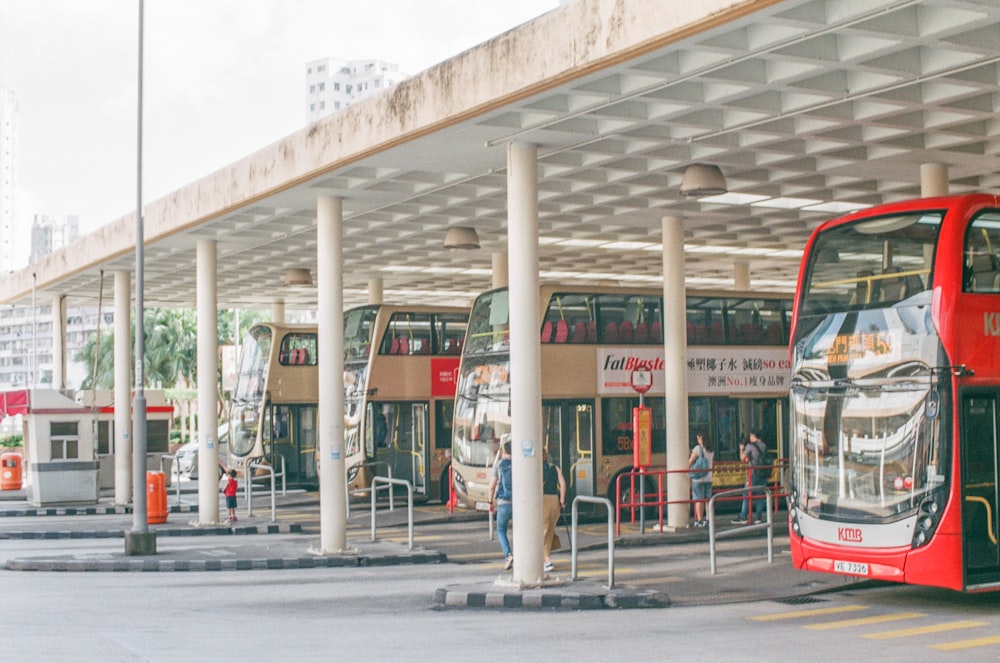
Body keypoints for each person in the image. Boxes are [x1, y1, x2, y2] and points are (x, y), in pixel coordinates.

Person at [487, 438, 514, 570]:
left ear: (504, 451)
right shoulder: (520, 463)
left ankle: (508, 555)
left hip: (503, 502)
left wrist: (490, 502)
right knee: (519, 530)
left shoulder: (498, 465)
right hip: (519, 503)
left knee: (501, 530)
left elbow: (492, 486)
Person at [733, 430, 767, 524]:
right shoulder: (764, 445)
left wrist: (741, 449)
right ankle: (758, 517)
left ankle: (743, 516)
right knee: (760, 495)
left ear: (753, 435)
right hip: (763, 473)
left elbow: (743, 458)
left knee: (746, 494)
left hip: (753, 473)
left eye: (750, 435)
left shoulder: (750, 446)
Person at [541, 450, 567, 573]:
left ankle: (546, 560)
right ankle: (546, 559)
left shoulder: (535, 469)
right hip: (555, 500)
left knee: (542, 532)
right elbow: (563, 484)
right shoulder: (555, 468)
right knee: (549, 531)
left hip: (542, 500)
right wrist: (562, 501)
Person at [688, 431, 714, 527]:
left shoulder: (698, 449)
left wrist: (690, 455)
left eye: (698, 438)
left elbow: (689, 462)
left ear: (701, 438)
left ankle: (699, 520)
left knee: (699, 499)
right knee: (708, 499)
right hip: (708, 477)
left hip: (698, 479)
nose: (697, 440)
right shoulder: (711, 449)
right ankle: (708, 519)